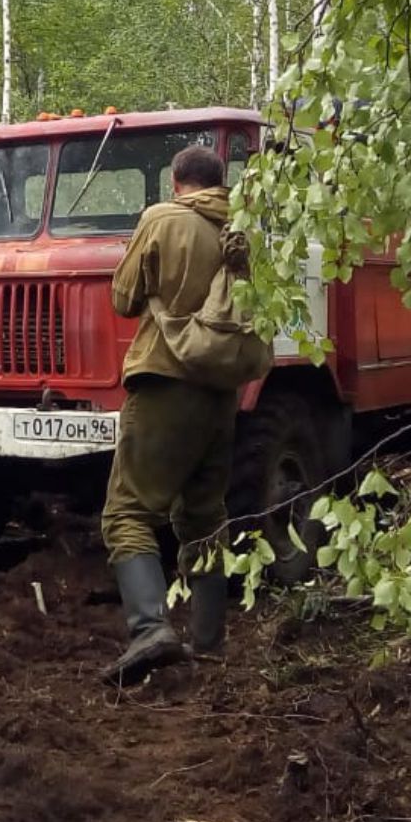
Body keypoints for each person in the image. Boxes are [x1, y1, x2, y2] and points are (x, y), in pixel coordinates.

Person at [100, 145, 238, 685]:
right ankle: (209, 644)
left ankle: (148, 628)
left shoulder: (163, 218)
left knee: (127, 513)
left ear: (178, 181)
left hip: (166, 380)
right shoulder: (242, 229)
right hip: (222, 389)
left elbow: (124, 297)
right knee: (203, 516)